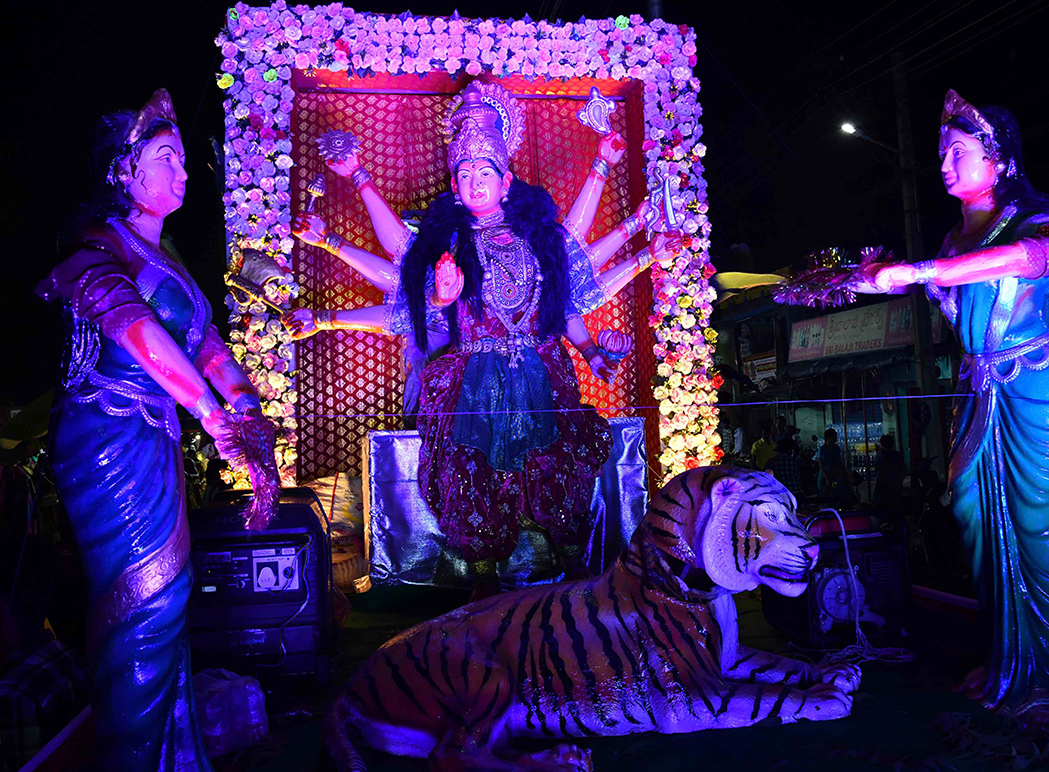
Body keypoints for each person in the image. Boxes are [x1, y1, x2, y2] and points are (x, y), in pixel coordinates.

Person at [286, 82, 680, 601]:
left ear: (506, 179)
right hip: (473, 382)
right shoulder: (446, 244)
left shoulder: (544, 240)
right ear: (454, 183)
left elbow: (560, 313)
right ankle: (486, 598)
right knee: (475, 481)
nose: (474, 184)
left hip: (542, 374)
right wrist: (444, 298)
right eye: (465, 175)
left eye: (484, 174)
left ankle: (570, 592)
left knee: (555, 477)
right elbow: (414, 313)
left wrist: (593, 351)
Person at [36, 90, 274, 771]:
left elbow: (209, 352)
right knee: (145, 609)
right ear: (122, 171)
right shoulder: (98, 247)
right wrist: (213, 418)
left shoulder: (165, 255)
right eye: (166, 157)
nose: (183, 171)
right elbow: (136, 332)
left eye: (182, 159)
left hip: (156, 437)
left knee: (169, 608)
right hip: (109, 442)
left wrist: (251, 435)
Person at [859, 89, 1049, 729]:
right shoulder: (953, 235)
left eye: (956, 152)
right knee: (974, 520)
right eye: (940, 153)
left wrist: (926, 270)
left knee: (1036, 524)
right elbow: (961, 310)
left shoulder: (1034, 214)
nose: (943, 165)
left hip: (1036, 384)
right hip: (980, 389)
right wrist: (889, 278)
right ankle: (1005, 664)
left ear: (998, 159)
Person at [872, 433, 906, 527]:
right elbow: (903, 470)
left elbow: (877, 466)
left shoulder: (881, 456)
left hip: (883, 488)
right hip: (895, 489)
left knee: (882, 514)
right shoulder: (897, 455)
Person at [817, 428, 854, 504]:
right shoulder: (823, 449)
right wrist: (826, 478)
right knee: (826, 495)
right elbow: (821, 464)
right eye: (833, 437)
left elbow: (840, 462)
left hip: (836, 474)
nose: (835, 440)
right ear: (828, 438)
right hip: (826, 474)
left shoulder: (836, 448)